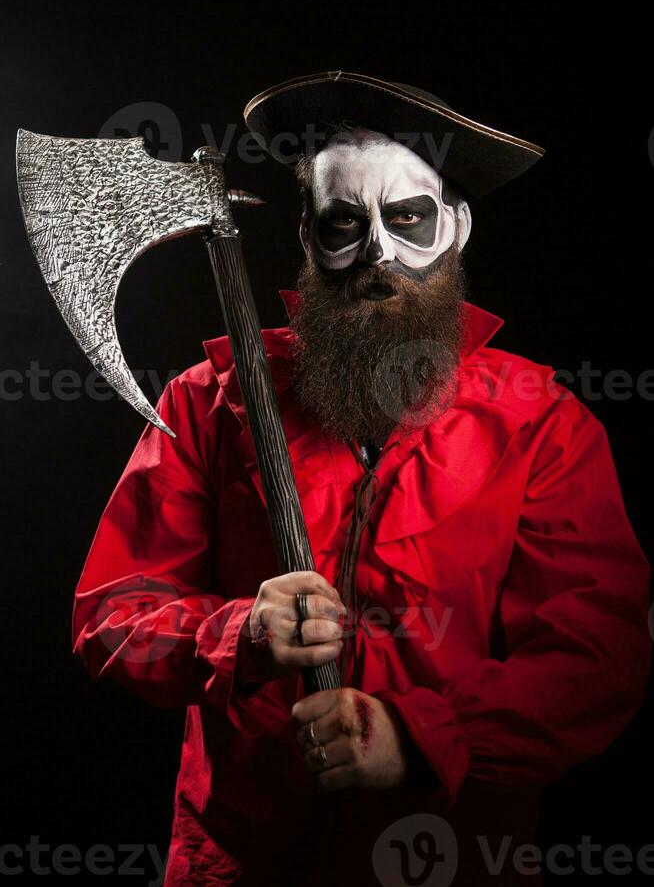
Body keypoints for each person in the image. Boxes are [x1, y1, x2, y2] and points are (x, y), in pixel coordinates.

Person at [72, 71, 651, 886]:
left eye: (409, 219)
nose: (380, 253)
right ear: (309, 239)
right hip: (243, 863)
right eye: (346, 223)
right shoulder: (210, 402)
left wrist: (419, 737)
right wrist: (236, 635)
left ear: (457, 226)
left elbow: (599, 655)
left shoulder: (540, 422)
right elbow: (112, 611)